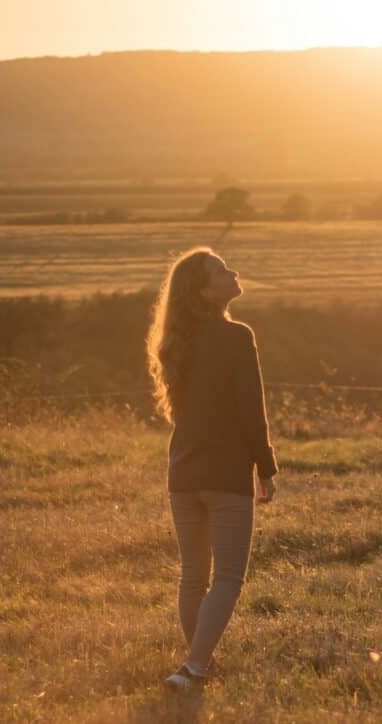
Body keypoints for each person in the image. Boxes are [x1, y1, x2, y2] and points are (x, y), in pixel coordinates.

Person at [146, 246, 279, 692]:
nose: (232, 271)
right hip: (225, 473)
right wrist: (266, 466)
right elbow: (250, 410)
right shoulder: (237, 336)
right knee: (227, 577)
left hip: (182, 471)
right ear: (205, 291)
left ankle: (195, 662)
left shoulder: (175, 341)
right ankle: (195, 667)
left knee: (193, 576)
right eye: (221, 270)